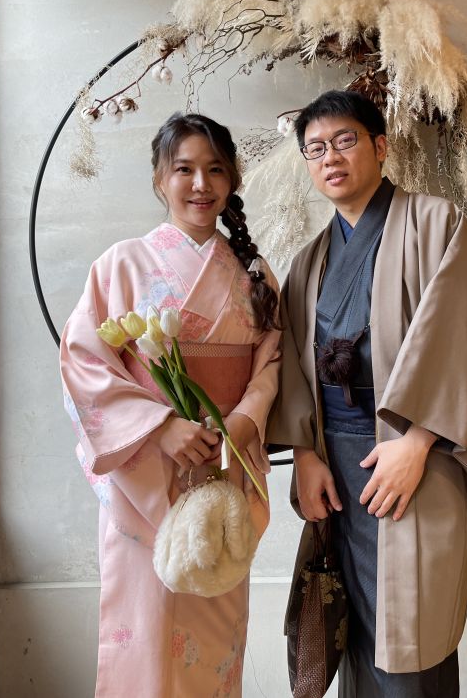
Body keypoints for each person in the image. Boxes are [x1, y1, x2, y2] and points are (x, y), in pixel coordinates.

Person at [267, 90, 467, 698]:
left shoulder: (436, 225)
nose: (331, 158)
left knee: (413, 632)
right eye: (315, 149)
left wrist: (417, 440)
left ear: (380, 146)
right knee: (356, 628)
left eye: (345, 141)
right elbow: (293, 366)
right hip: (337, 466)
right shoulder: (308, 262)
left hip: (418, 460)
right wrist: (305, 455)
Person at [60, 112, 281, 698]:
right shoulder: (120, 264)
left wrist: (242, 422)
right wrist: (161, 427)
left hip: (225, 464)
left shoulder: (253, 274)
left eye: (215, 170)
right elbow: (83, 362)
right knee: (146, 624)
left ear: (232, 180)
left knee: (216, 621)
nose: (200, 185)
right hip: (149, 470)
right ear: (160, 179)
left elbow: (273, 362)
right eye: (184, 169)